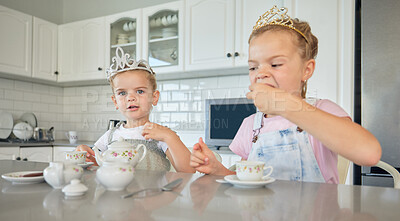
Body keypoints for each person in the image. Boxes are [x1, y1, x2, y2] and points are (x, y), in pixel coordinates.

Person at [190, 5, 381, 183]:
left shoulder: (322, 110)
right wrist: (217, 169)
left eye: (275, 64)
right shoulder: (251, 125)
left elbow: (369, 153)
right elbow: (247, 179)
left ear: (306, 70)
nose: (261, 73)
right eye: (253, 67)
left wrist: (285, 105)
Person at [76, 47, 195, 173]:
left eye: (140, 91)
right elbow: (99, 167)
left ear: (154, 98)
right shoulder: (110, 136)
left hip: (153, 192)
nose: (131, 98)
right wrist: (86, 155)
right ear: (115, 101)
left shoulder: (159, 134)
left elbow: (188, 171)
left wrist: (170, 137)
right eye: (122, 93)